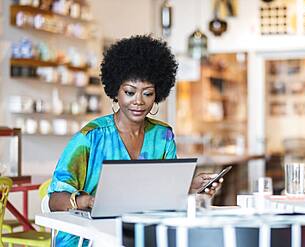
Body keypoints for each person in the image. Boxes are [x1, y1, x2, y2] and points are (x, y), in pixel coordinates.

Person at [48, 35, 222, 246]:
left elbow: (160, 193)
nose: (138, 101)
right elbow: (54, 200)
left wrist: (190, 187)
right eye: (130, 92)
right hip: (89, 238)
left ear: (157, 94)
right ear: (116, 92)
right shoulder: (91, 137)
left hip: (139, 235)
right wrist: (89, 201)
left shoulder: (162, 136)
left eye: (147, 94)